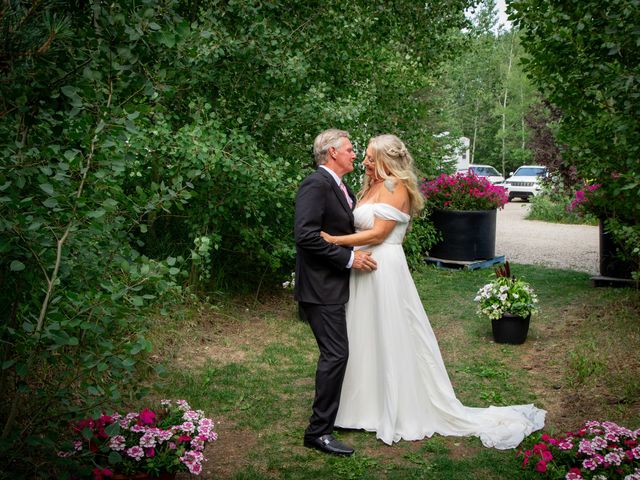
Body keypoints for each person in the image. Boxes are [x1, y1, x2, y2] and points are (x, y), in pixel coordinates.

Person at [321, 134, 546, 449]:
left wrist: (332, 241)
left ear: (386, 160)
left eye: (371, 157)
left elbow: (379, 232)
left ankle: (394, 406)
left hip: (384, 267)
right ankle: (359, 408)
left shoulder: (396, 188)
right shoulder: (371, 186)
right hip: (363, 267)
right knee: (363, 336)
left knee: (389, 334)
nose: (365, 161)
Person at [294, 128, 378, 456]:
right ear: (332, 153)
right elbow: (306, 235)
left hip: (333, 285)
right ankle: (318, 432)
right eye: (350, 149)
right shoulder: (316, 184)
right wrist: (348, 258)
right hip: (320, 286)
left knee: (336, 353)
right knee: (336, 354)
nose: (354, 154)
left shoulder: (340, 186)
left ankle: (329, 421)